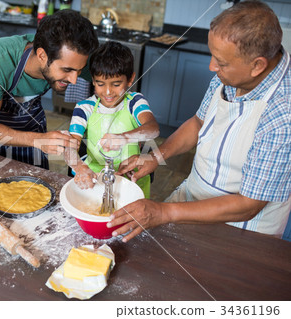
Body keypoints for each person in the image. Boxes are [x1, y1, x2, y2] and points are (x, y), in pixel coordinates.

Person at [109, 1, 290, 242]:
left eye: (221, 62)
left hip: (243, 231)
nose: (212, 67)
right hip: (192, 198)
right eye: (213, 56)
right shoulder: (230, 74)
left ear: (257, 65)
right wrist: (155, 156)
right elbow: (198, 123)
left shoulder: (283, 116)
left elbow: (249, 204)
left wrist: (163, 211)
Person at [0, 10, 98, 169]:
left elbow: (117, 86)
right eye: (67, 70)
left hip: (31, 127)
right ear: (42, 55)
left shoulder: (75, 57)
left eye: (79, 70)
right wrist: (37, 140)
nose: (74, 80)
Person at [65, 41, 159, 198]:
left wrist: (124, 137)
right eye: (100, 84)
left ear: (130, 80)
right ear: (93, 81)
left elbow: (153, 129)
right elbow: (69, 148)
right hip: (95, 180)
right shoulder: (84, 108)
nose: (108, 92)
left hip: (129, 180)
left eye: (116, 84)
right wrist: (79, 166)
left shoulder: (135, 102)